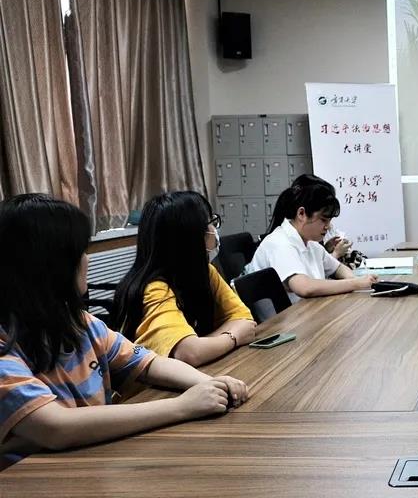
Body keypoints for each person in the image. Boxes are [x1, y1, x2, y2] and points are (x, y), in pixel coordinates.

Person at [0, 194, 248, 468]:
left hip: (92, 461)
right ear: (49, 265)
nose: (87, 260)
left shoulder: (80, 322)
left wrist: (209, 383)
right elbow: (56, 427)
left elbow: (148, 362)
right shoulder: (4, 345)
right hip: (32, 479)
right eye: (80, 251)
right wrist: (183, 406)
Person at [114, 192, 257, 367]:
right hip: (151, 385)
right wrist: (232, 337)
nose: (214, 230)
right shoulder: (154, 289)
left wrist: (203, 345)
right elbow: (189, 353)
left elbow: (244, 319)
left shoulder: (205, 272)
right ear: (189, 237)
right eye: (210, 223)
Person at [249, 174, 376, 302]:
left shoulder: (311, 243)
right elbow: (304, 287)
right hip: (288, 314)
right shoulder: (279, 243)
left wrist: (355, 279)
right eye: (323, 220)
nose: (328, 226)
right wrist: (356, 283)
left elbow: (338, 268)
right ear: (301, 214)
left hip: (309, 308)